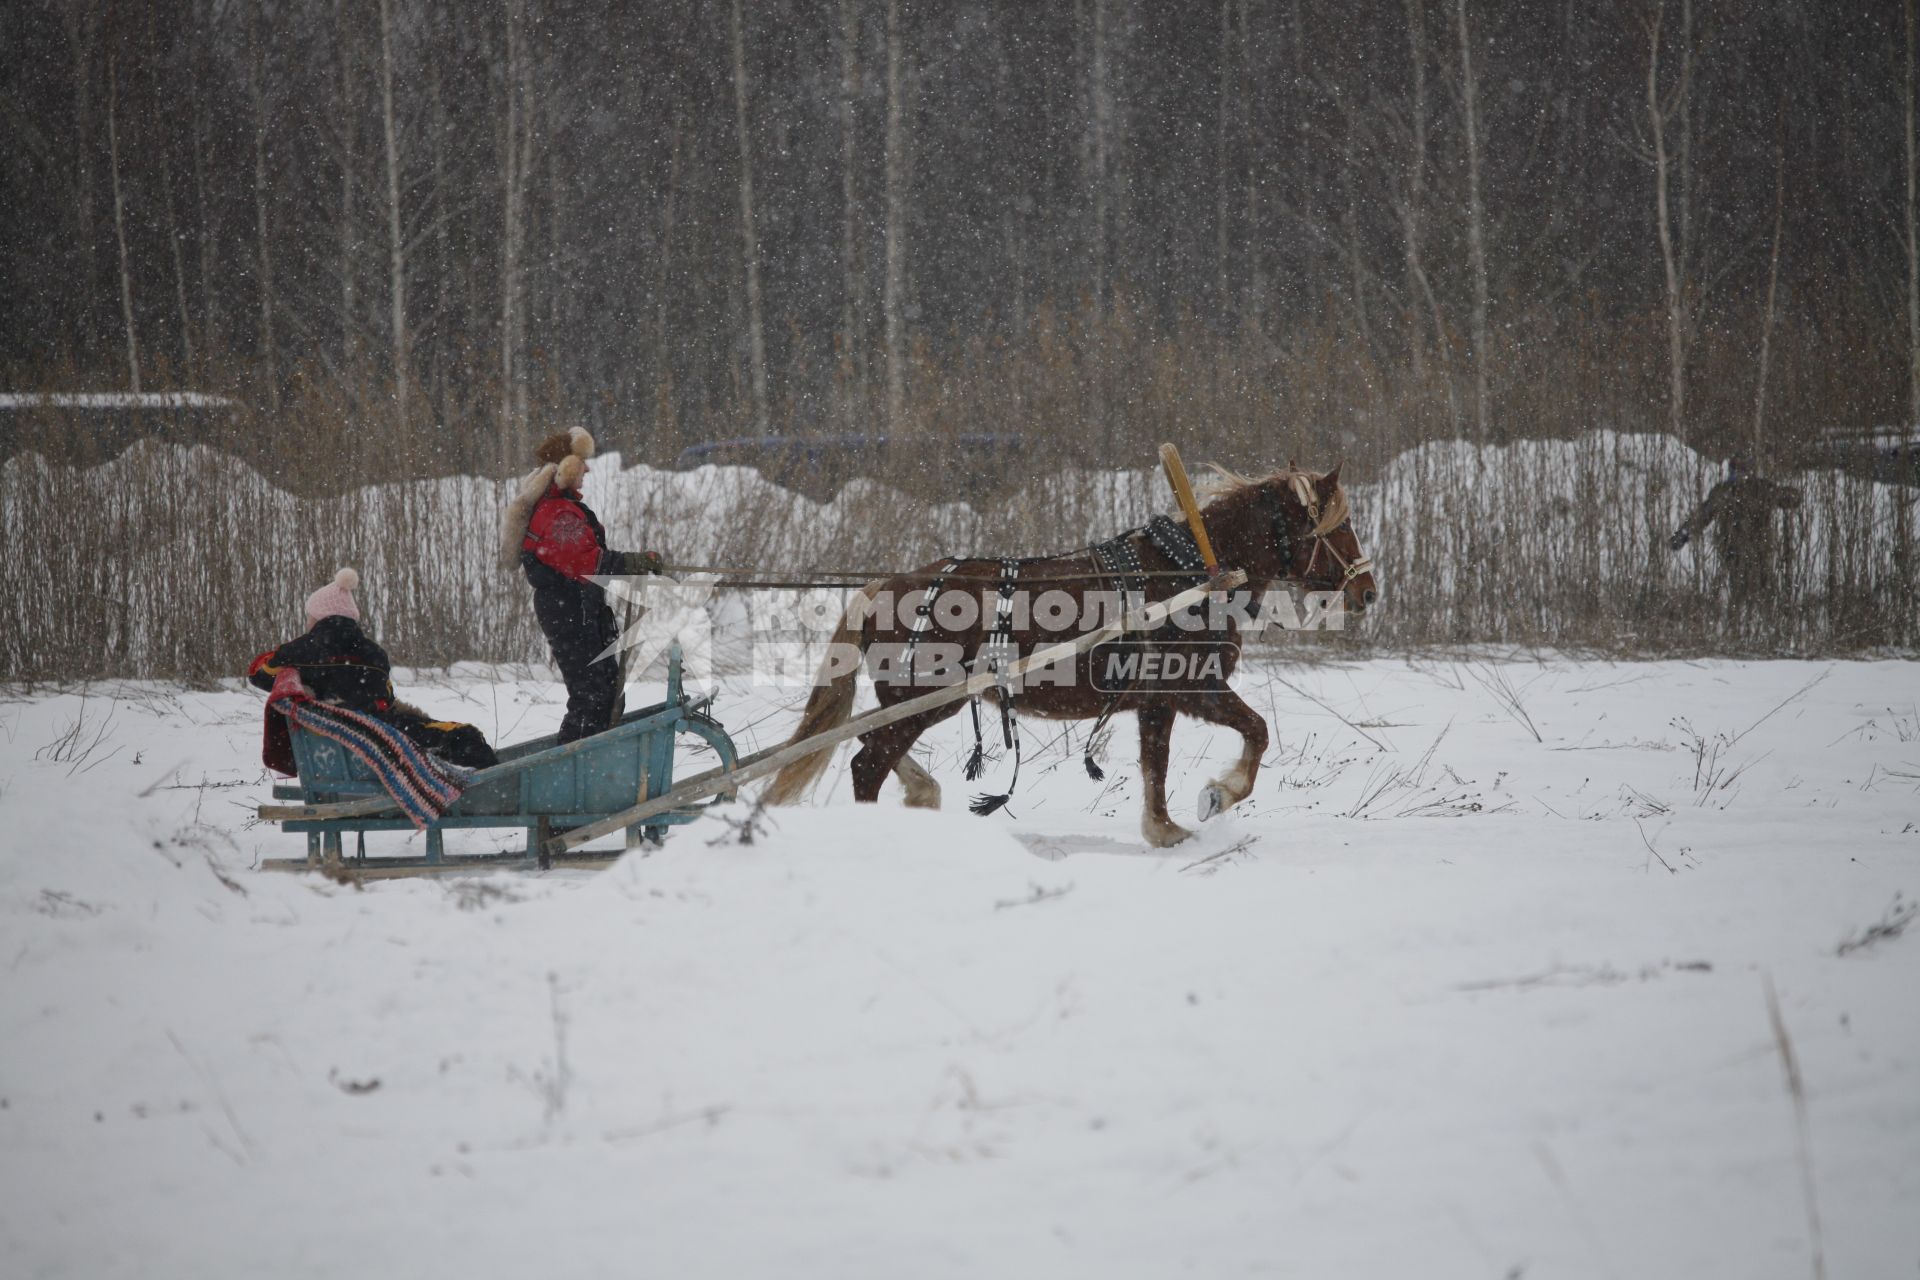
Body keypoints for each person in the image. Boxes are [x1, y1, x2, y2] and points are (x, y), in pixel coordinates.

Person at [247, 568, 498, 772]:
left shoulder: (297, 652)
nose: (307, 622)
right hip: (377, 741)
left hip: (329, 757)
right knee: (454, 734)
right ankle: (473, 754)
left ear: (320, 616)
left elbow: (259, 674)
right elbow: (386, 700)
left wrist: (282, 653)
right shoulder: (374, 654)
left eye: (310, 616)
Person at [501, 428, 663, 743]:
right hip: (570, 615)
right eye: (583, 464)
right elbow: (586, 563)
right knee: (592, 700)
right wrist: (633, 563)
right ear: (567, 468)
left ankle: (589, 769)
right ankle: (574, 769)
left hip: (579, 612)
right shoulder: (555, 513)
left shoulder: (558, 507)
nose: (587, 470)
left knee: (604, 695)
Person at [1669, 452, 1803, 618]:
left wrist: (1791, 495)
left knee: (1762, 589)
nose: (1739, 473)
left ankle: (1760, 624)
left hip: (1755, 550)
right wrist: (1683, 535)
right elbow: (1703, 515)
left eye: (1742, 469)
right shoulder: (1729, 491)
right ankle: (1745, 626)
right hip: (1736, 551)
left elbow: (1790, 499)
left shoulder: (1758, 488)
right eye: (1736, 468)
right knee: (1745, 592)